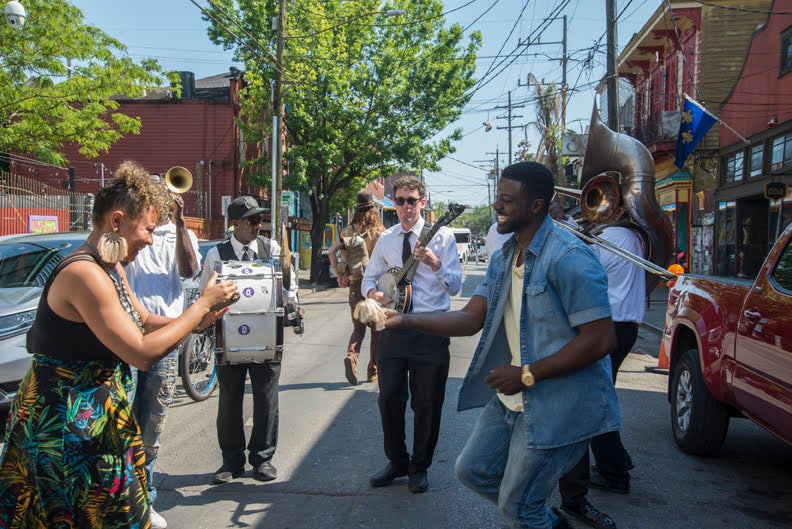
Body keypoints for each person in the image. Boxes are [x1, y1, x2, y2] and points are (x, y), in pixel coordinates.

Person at [383, 162, 621, 528]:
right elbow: (471, 317)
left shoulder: (569, 257)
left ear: (537, 206)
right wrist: (405, 321)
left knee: (517, 506)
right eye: (498, 199)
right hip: (515, 398)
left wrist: (526, 374)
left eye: (508, 201)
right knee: (473, 472)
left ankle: (532, 515)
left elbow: (602, 338)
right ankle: (545, 520)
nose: (497, 208)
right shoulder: (504, 256)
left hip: (557, 403)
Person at [0, 161, 237, 529]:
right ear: (116, 221)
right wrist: (201, 306)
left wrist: (200, 318)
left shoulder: (111, 267)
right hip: (63, 429)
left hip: (93, 418)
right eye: (146, 229)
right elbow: (140, 352)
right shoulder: (84, 273)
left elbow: (142, 321)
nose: (150, 239)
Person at [362, 175, 462, 494]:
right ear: (394, 203)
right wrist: (373, 295)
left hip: (430, 329)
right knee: (389, 398)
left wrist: (435, 264)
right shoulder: (387, 239)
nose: (406, 207)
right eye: (400, 201)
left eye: (412, 200)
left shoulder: (443, 237)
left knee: (427, 403)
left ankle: (420, 467)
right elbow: (369, 279)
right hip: (393, 326)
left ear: (423, 203)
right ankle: (398, 461)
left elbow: (456, 286)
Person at [549, 203, 645, 529]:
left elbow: (581, 266)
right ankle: (613, 464)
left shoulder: (614, 237)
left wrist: (563, 226)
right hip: (619, 325)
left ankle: (614, 470)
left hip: (608, 326)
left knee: (592, 403)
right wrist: (570, 223)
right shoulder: (625, 236)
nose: (594, 212)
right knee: (598, 398)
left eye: (600, 205)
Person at [200, 195, 298, 485]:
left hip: (266, 335)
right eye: (253, 220)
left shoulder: (272, 248)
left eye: (260, 220)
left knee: (266, 397)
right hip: (229, 339)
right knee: (229, 399)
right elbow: (206, 294)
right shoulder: (216, 254)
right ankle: (231, 460)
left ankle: (262, 459)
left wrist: (292, 306)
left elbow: (288, 283)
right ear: (236, 224)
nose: (259, 226)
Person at [125, 177, 201, 529]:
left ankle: (145, 498)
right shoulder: (134, 231)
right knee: (122, 425)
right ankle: (121, 500)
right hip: (127, 336)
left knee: (151, 426)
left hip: (166, 340)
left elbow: (188, 271)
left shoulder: (178, 233)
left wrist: (181, 222)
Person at [328, 191, 385, 385]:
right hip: (375, 286)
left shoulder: (347, 231)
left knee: (358, 328)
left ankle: (352, 357)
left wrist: (339, 273)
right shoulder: (380, 232)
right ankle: (373, 371)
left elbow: (331, 252)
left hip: (354, 284)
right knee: (377, 329)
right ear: (373, 210)